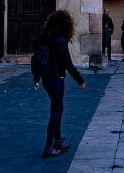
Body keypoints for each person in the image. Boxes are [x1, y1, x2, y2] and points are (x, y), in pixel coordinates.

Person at [32, 10, 86, 158]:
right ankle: (50, 145)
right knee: (56, 110)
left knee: (58, 108)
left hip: (46, 79)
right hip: (56, 78)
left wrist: (36, 78)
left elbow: (37, 58)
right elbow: (68, 63)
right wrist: (80, 80)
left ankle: (59, 140)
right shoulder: (60, 41)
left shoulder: (45, 37)